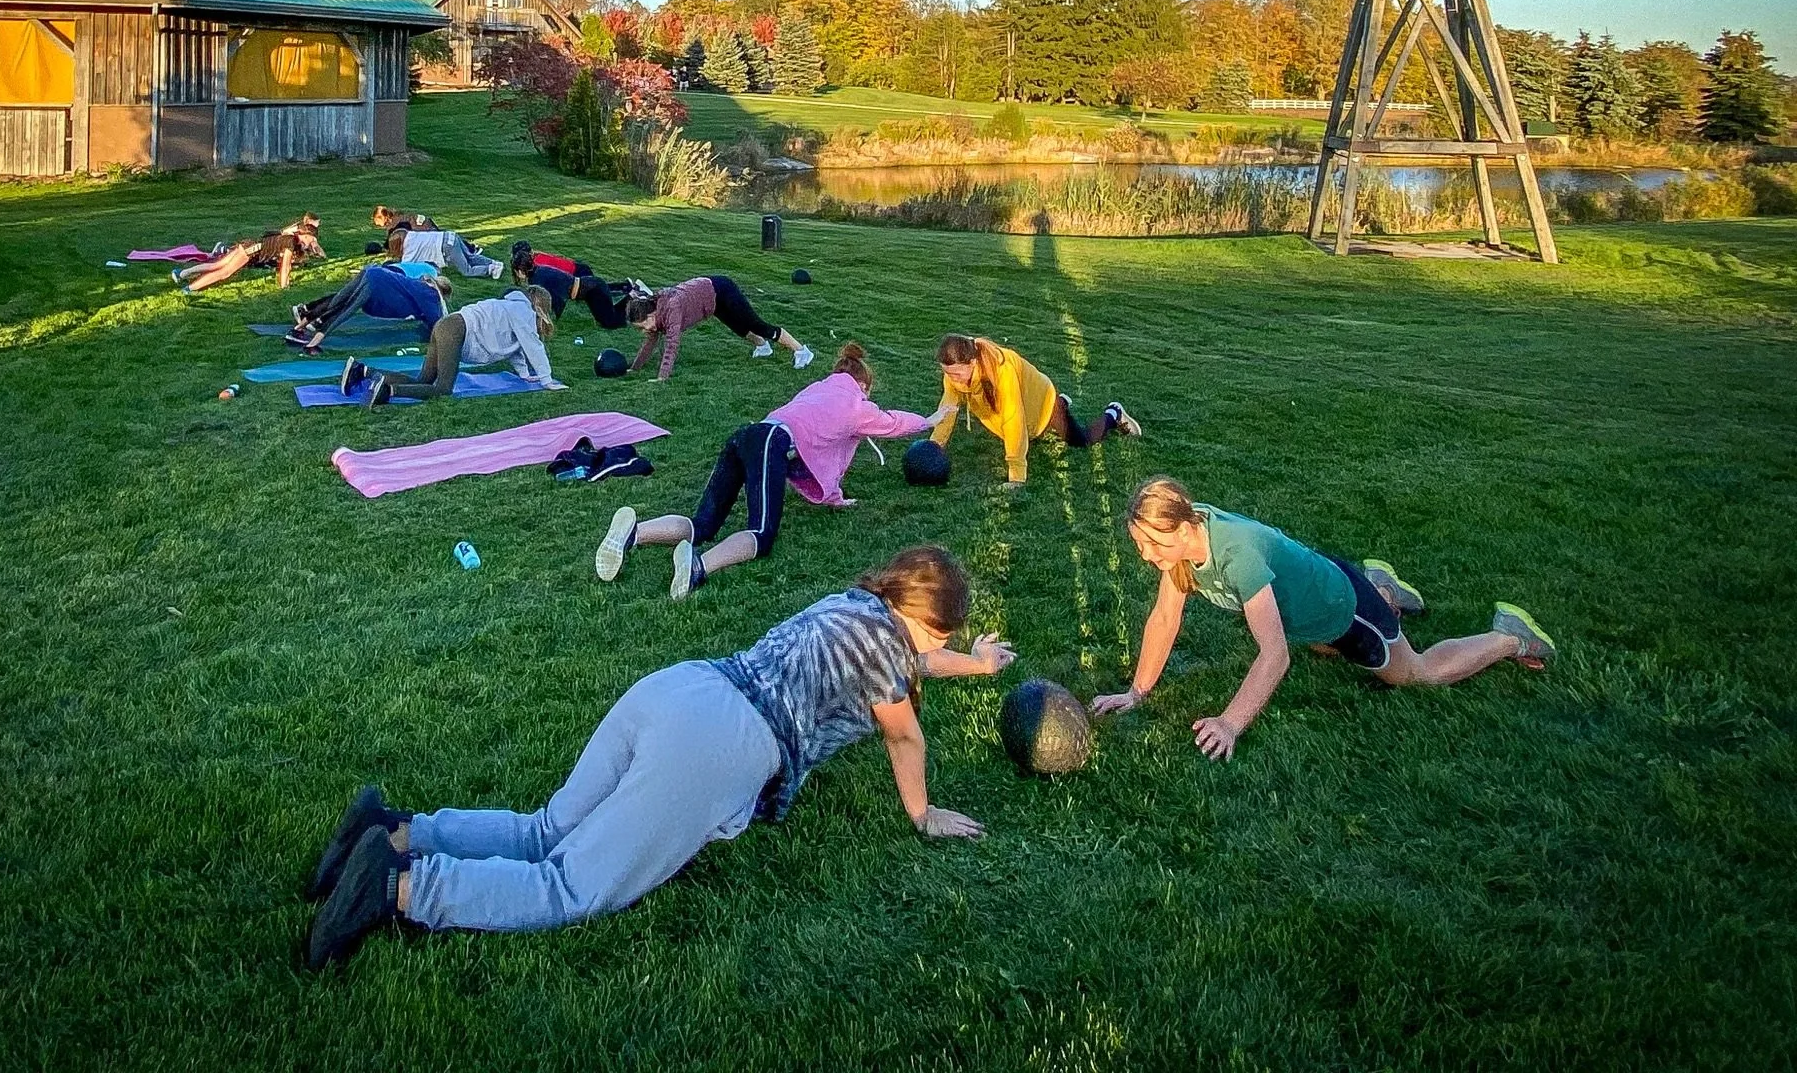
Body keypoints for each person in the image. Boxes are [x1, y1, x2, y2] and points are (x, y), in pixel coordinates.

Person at [303, 545, 1013, 968]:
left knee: (544, 828)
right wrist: (920, 814)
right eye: (937, 633)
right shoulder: (890, 649)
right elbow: (903, 732)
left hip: (681, 686)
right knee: (573, 885)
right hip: (720, 745)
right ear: (916, 618)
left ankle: (394, 830)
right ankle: (399, 889)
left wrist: (975, 665)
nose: (934, 646)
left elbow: (909, 665)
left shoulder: (853, 606)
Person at [1090, 476, 1558, 758]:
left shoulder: (1237, 557)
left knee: (1412, 673)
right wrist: (1136, 692)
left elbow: (1274, 656)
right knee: (1320, 645)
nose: (1149, 556)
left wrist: (1230, 723)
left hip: (1341, 609)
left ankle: (1508, 637)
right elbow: (1164, 617)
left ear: (1187, 525)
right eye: (1141, 545)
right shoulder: (1184, 547)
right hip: (1313, 596)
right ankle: (1383, 587)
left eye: (1156, 543)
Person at [595, 343, 952, 598]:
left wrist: (834, 497)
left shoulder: (817, 389)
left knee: (703, 524)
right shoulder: (855, 405)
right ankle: (697, 567)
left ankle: (634, 534)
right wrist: (929, 420)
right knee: (762, 533)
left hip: (745, 434)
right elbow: (890, 423)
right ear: (863, 385)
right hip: (770, 443)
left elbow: (815, 443)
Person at [930, 334, 1138, 487]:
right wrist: (933, 449)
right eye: (947, 373)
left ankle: (1113, 414)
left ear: (973, 362)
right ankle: (1063, 403)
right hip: (1028, 406)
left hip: (1044, 403)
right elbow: (947, 411)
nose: (952, 379)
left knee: (1082, 440)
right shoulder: (954, 376)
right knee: (1031, 433)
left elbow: (1013, 420)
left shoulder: (1002, 372)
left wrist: (1016, 476)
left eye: (956, 373)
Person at [351, 286, 559, 401]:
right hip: (455, 331)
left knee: (424, 379)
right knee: (443, 389)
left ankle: (362, 372)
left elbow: (516, 348)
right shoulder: (523, 311)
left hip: (446, 324)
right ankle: (387, 391)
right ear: (540, 306)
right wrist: (547, 379)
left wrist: (524, 374)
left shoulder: (513, 306)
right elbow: (532, 344)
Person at [626, 275, 812, 380]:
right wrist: (634, 369)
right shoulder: (654, 315)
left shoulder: (671, 308)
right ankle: (763, 347)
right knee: (738, 328)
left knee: (756, 324)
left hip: (721, 289)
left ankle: (802, 351)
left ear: (651, 315)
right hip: (711, 301)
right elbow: (649, 343)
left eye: (643, 326)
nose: (645, 331)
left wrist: (662, 377)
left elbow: (671, 346)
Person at [288, 260, 448, 351]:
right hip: (377, 282)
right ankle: (312, 345)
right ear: (442, 292)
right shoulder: (431, 294)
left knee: (338, 300)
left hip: (372, 271)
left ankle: (298, 328)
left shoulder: (422, 282)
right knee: (345, 311)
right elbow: (438, 321)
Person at [175, 214, 324, 293]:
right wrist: (284, 286)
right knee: (224, 272)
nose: (308, 244)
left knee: (217, 265)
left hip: (248, 246)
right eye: (308, 240)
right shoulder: (290, 242)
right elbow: (285, 267)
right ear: (304, 234)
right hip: (250, 252)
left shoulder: (289, 237)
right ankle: (190, 289)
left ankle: (181, 273)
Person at [512, 248, 637, 329]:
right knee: (606, 317)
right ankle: (632, 295)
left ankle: (634, 297)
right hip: (591, 289)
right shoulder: (538, 272)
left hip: (594, 289)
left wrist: (553, 319)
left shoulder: (537, 279)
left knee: (610, 322)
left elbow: (557, 301)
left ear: (519, 270)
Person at [387, 224, 503, 281]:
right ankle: (495, 263)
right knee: (470, 257)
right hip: (450, 236)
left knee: (467, 270)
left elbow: (405, 266)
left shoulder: (409, 250)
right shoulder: (412, 235)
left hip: (446, 247)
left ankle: (490, 269)